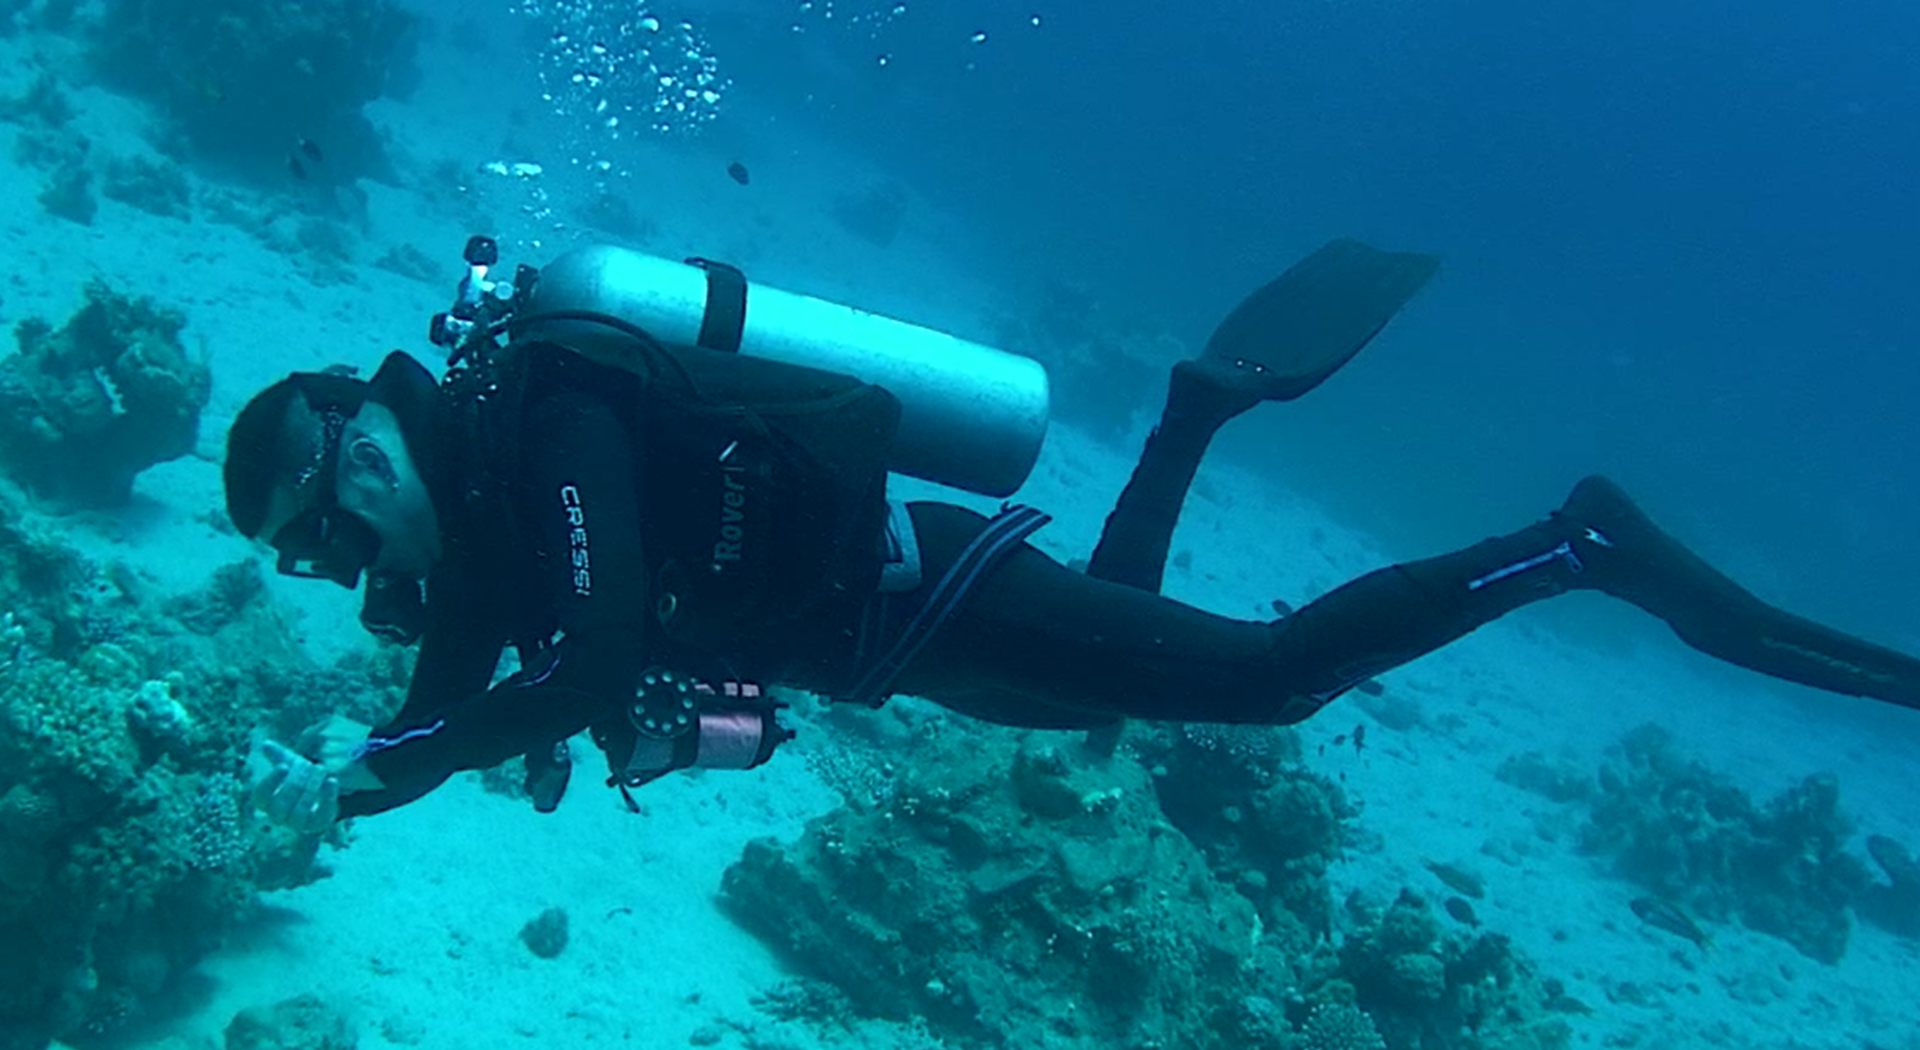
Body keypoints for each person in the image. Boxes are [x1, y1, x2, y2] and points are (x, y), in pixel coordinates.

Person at [231, 240, 1920, 832]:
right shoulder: (484, 521)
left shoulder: (550, 413)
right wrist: (389, 757)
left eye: (335, 479)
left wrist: (421, 758)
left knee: (1262, 683)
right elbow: (474, 662)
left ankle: (1576, 542)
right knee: (1114, 687)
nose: (349, 531)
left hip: (914, 585)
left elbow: (589, 656)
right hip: (890, 632)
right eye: (313, 545)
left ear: (357, 410)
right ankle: (1192, 411)